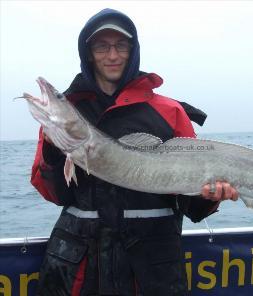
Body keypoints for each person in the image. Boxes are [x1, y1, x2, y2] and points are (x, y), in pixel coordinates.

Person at [31, 8, 238, 296]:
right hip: (77, 273)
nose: (112, 55)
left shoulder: (170, 111)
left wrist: (209, 198)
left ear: (133, 49)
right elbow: (55, 195)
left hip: (152, 273)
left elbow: (191, 207)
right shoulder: (66, 116)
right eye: (102, 46)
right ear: (89, 53)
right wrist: (54, 154)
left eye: (121, 45)